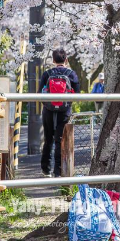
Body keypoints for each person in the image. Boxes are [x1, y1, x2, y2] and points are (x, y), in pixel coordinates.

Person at [39, 48, 81, 178]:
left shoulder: (47, 73)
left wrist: (48, 105)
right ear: (66, 60)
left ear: (53, 60)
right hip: (65, 110)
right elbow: (77, 93)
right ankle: (58, 171)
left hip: (48, 111)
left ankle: (46, 170)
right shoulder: (71, 74)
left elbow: (40, 93)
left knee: (48, 139)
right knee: (60, 140)